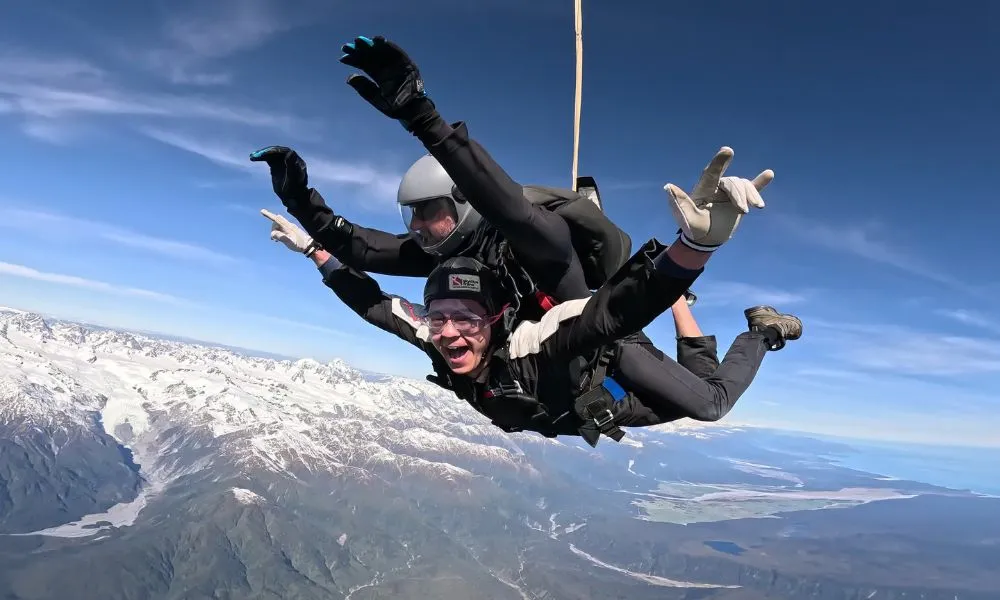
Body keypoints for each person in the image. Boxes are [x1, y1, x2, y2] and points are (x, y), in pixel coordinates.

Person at [261, 149, 802, 446]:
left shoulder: (534, 335)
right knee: (670, 380)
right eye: (439, 318)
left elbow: (608, 314)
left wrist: (693, 248)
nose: (448, 332)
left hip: (597, 353)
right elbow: (374, 299)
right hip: (579, 391)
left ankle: (760, 331)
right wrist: (314, 247)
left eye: (464, 320)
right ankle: (682, 301)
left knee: (708, 403)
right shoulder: (442, 322)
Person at [249, 35, 723, 318]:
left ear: (464, 204)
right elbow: (363, 249)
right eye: (411, 215)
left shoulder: (537, 237)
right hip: (516, 371)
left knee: (706, 404)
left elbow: (505, 204)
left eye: (427, 211)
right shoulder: (447, 251)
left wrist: (421, 117)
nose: (416, 226)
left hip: (574, 336)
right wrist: (300, 201)